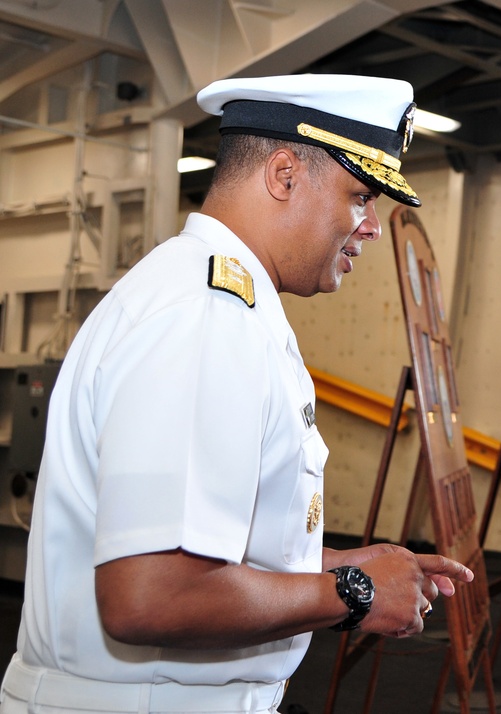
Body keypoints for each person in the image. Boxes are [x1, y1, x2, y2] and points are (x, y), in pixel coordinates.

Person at [0, 74, 473, 714]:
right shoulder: (204, 316)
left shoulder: (220, 302)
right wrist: (353, 592)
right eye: (359, 196)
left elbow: (212, 548)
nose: (371, 228)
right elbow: (151, 596)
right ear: (283, 174)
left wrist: (327, 562)